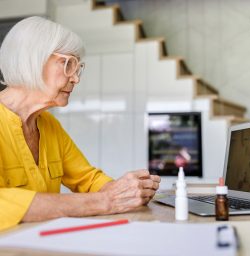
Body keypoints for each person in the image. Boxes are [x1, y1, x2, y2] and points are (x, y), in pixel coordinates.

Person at [0, 16, 160, 231]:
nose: (76, 78)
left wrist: (125, 191)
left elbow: (87, 178)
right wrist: (106, 201)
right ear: (33, 60)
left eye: (77, 67)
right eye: (68, 64)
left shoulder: (48, 125)